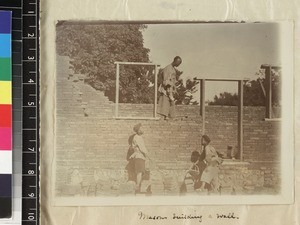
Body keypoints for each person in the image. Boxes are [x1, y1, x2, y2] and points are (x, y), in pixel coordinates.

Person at [128, 123, 149, 192]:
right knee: (139, 172)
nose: (143, 130)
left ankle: (139, 186)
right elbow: (142, 148)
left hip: (141, 156)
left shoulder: (139, 137)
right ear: (138, 130)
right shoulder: (137, 137)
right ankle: (137, 187)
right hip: (139, 156)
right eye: (142, 128)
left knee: (141, 172)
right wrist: (148, 155)